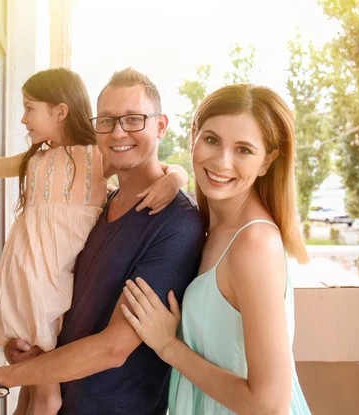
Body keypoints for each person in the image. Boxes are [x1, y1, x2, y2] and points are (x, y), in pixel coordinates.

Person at [0, 68, 206, 414]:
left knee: (38, 397)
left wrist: (175, 177)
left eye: (133, 119)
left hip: (109, 405)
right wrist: (29, 355)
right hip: (58, 373)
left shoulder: (173, 223)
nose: (119, 133)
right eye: (108, 121)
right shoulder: (100, 203)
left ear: (160, 126)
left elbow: (113, 349)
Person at [120, 83, 312, 414]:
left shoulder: (254, 245)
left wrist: (169, 346)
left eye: (244, 150)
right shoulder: (210, 226)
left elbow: (270, 405)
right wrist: (175, 177)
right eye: (211, 140)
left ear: (267, 162)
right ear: (193, 135)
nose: (222, 162)